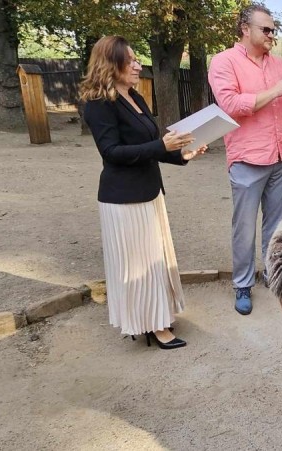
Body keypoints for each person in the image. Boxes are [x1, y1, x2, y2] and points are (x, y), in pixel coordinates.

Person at [81, 36, 207, 349]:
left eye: (137, 59)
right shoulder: (99, 103)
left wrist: (182, 154)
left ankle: (157, 316)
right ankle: (154, 326)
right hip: (124, 198)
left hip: (149, 192)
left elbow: (150, 147)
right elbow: (111, 152)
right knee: (140, 266)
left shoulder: (134, 96)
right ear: (112, 64)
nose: (138, 65)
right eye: (132, 60)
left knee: (155, 261)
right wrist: (161, 145)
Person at [208, 4, 282, 315]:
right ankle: (242, 284)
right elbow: (232, 104)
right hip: (247, 157)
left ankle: (273, 277)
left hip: (280, 156)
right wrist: (277, 89)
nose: (271, 34)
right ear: (245, 29)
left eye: (273, 29)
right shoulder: (224, 62)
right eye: (265, 29)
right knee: (244, 226)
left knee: (278, 225)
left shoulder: (279, 64)